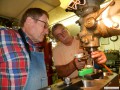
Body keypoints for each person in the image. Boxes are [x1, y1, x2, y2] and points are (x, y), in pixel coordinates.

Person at [0, 8, 49, 90]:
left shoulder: (37, 48)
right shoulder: (4, 35)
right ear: (29, 21)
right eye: (45, 25)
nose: (47, 31)